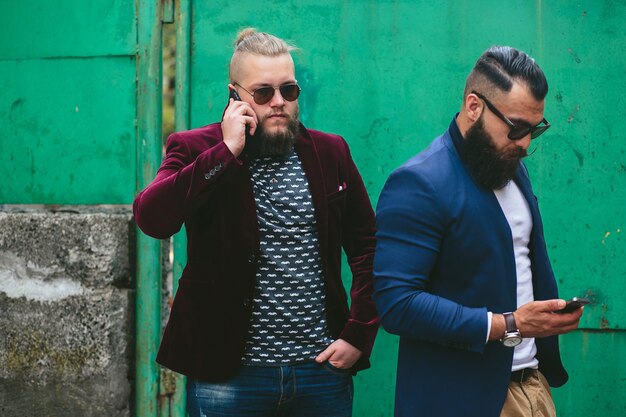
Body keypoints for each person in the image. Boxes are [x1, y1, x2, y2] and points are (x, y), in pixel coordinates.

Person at [133, 28, 379, 417]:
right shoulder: (195, 149)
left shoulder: (331, 152)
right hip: (229, 376)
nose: (279, 102)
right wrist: (226, 150)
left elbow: (367, 247)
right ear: (235, 95)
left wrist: (359, 333)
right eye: (263, 93)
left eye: (289, 90)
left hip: (320, 371)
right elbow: (152, 218)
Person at [373, 46, 585, 417]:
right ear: (474, 106)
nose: (525, 144)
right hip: (461, 400)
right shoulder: (419, 183)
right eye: (517, 128)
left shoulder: (511, 166)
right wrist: (510, 324)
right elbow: (397, 304)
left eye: (535, 129)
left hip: (532, 386)